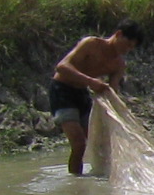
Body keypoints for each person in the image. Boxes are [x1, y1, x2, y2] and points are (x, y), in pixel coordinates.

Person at [49, 23, 143, 175]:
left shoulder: (119, 64)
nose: (126, 50)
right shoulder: (91, 44)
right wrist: (91, 81)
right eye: (126, 44)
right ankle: (76, 183)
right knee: (79, 144)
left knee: (100, 144)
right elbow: (62, 67)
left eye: (131, 48)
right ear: (118, 34)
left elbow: (112, 92)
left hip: (82, 93)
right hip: (62, 90)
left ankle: (99, 178)